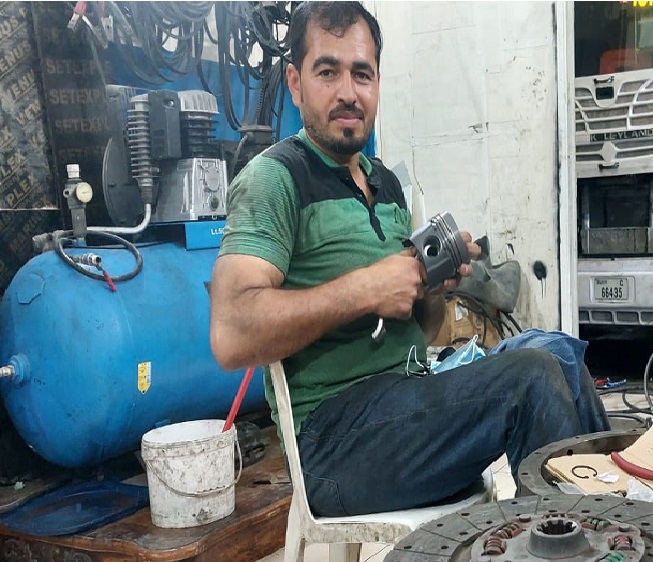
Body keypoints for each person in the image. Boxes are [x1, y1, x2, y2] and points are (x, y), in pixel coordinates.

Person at [209, 1, 609, 517]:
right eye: (327, 72)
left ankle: (619, 524)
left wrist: (432, 288)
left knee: (562, 358)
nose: (347, 92)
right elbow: (231, 334)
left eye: (362, 74)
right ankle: (567, 554)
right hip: (332, 444)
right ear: (295, 83)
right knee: (531, 380)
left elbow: (422, 329)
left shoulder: (385, 184)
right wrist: (365, 289)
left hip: (407, 398)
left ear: (377, 82)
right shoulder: (274, 179)